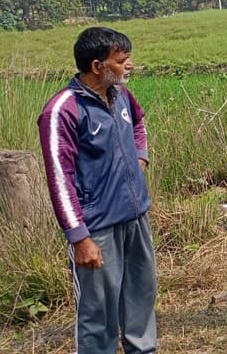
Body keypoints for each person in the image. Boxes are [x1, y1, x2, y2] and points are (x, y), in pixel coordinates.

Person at [38, 27, 157, 354]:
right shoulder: (62, 110)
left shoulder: (120, 94)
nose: (129, 65)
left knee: (140, 299)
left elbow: (138, 123)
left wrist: (140, 158)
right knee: (98, 314)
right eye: (121, 60)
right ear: (96, 66)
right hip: (98, 229)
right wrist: (79, 237)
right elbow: (59, 177)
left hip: (135, 217)